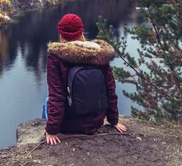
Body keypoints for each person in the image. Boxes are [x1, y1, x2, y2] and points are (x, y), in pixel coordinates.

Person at [42, 13, 127, 145]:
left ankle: (46, 129)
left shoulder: (55, 57)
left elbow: (57, 96)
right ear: (81, 31)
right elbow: (110, 89)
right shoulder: (98, 54)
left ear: (61, 34)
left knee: (47, 102)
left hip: (69, 125)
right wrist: (113, 120)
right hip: (96, 122)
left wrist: (52, 130)